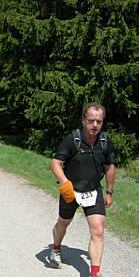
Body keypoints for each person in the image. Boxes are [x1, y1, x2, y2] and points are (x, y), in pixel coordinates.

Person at [49, 102, 115, 277]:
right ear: (83, 120)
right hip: (71, 192)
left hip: (93, 191)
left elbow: (110, 167)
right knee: (63, 223)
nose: (95, 125)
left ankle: (94, 273)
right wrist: (65, 183)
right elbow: (55, 164)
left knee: (98, 230)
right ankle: (56, 248)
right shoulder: (73, 139)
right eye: (91, 121)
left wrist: (109, 191)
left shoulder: (105, 141)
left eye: (99, 122)